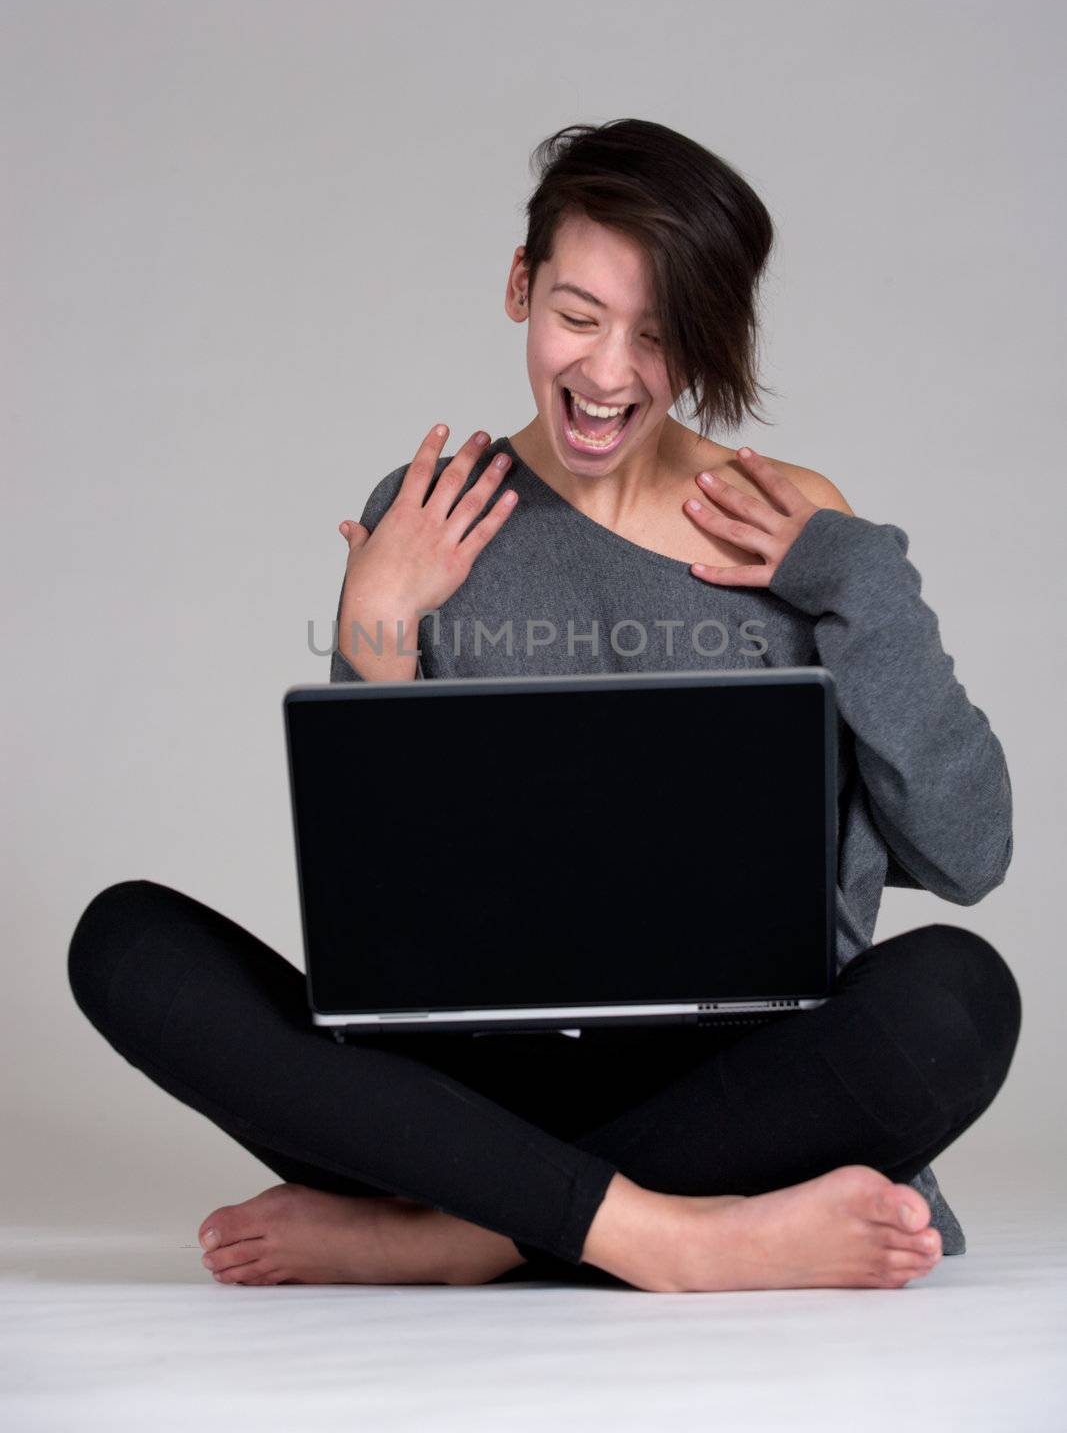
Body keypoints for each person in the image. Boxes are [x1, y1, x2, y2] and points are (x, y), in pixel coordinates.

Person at [67, 119, 1021, 1294]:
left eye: (659, 336)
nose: (609, 373)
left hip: (746, 1077)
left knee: (959, 996)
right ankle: (678, 1237)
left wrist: (858, 576)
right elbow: (385, 933)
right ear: (519, 287)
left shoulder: (797, 526)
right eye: (576, 316)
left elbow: (967, 853)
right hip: (482, 1083)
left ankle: (467, 1232)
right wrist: (374, 637)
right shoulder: (431, 514)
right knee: (126, 943)